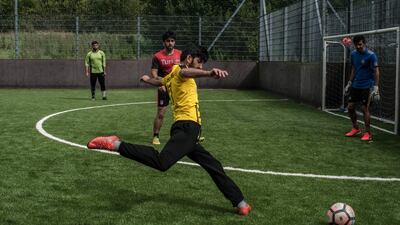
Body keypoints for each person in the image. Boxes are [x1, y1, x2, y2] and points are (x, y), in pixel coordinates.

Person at [87, 45, 252, 216]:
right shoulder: (180, 71)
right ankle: (116, 145)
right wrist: (209, 73)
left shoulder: (171, 75)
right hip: (188, 127)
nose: (201, 66)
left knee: (213, 165)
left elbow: (160, 81)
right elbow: (185, 73)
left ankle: (240, 202)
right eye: (199, 62)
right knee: (162, 162)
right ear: (189, 59)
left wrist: (146, 79)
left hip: (185, 130)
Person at [344, 35, 380, 141]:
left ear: (364, 43)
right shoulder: (353, 54)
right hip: (356, 85)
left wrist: (376, 87)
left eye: (360, 44)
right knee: (350, 107)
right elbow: (354, 68)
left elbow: (376, 71)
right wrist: (349, 83)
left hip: (367, 86)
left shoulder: (371, 55)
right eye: (356, 45)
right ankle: (355, 128)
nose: (358, 46)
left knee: (365, 109)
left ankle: (368, 133)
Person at [150, 31, 181, 145]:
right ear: (164, 42)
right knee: (161, 113)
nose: (170, 43)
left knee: (183, 112)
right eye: (168, 41)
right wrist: (160, 83)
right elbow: (154, 72)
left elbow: (184, 69)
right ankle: (156, 136)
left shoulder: (180, 54)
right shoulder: (157, 56)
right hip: (164, 88)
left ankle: (189, 136)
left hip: (178, 88)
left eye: (172, 41)